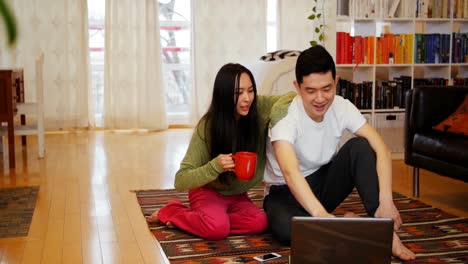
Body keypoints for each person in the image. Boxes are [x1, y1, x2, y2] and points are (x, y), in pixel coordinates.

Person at [263, 45, 416, 261]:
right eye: (311, 91)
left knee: (360, 147)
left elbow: (381, 148)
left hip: (322, 184)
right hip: (284, 193)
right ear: (297, 87)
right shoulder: (286, 116)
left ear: (336, 82)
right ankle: (341, 224)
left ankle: (383, 229)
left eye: (327, 89)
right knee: (289, 232)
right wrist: (321, 215)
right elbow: (290, 172)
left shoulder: (342, 107)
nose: (320, 98)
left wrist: (386, 201)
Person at [147, 63, 291, 240]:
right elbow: (181, 179)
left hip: (237, 195)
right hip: (207, 191)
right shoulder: (207, 127)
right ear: (223, 95)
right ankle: (173, 212)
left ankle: (210, 221)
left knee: (259, 223)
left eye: (250, 90)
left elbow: (292, 97)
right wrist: (214, 167)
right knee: (216, 229)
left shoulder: (259, 107)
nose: (247, 98)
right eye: (238, 93)